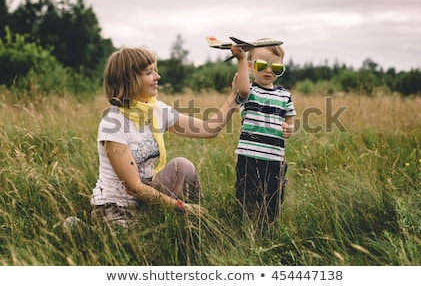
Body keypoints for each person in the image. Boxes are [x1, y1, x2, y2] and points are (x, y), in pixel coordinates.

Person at [90, 46, 238, 227]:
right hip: (116, 205)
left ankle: (196, 223)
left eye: (155, 70)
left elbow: (209, 129)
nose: (157, 77)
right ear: (131, 79)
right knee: (137, 245)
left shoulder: (157, 110)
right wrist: (181, 206)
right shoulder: (113, 123)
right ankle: (81, 226)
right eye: (149, 72)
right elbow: (134, 187)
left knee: (182, 166)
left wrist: (234, 98)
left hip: (146, 198)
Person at [230, 42, 296, 228]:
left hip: (275, 158)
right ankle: (243, 228)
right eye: (261, 65)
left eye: (276, 67)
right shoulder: (250, 91)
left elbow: (290, 121)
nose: (268, 70)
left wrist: (289, 129)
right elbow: (242, 89)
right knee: (246, 197)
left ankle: (268, 230)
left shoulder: (284, 95)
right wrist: (241, 59)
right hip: (249, 157)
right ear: (251, 67)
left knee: (273, 200)